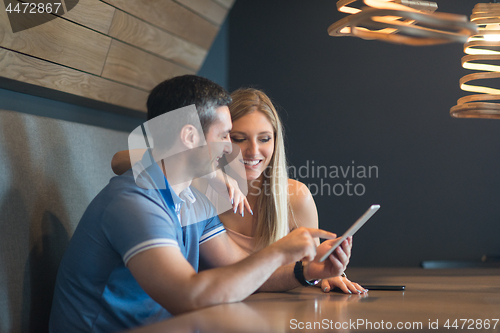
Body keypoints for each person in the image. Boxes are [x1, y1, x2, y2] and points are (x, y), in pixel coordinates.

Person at [50, 75, 352, 333]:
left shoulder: (193, 199)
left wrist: (308, 271)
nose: (230, 150)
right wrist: (278, 252)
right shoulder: (135, 203)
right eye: (225, 136)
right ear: (189, 136)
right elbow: (189, 296)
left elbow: (240, 270)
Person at [113, 88, 366, 295]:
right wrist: (209, 172)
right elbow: (119, 161)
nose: (253, 151)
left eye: (265, 139)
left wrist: (324, 273)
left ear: (276, 142)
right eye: (239, 138)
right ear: (220, 137)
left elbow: (308, 265)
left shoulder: (295, 197)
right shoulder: (195, 188)